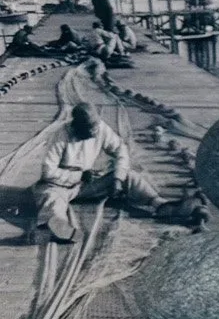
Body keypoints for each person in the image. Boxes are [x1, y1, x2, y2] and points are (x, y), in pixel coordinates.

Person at [25, 103, 169, 243]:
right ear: (77, 126)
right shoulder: (60, 136)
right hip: (58, 185)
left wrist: (117, 179)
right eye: (90, 128)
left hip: (86, 184)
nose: (94, 131)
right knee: (51, 199)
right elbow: (48, 172)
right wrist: (78, 175)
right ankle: (58, 227)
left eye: (95, 127)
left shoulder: (100, 128)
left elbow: (121, 150)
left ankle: (159, 204)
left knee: (130, 176)